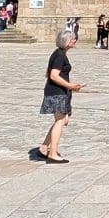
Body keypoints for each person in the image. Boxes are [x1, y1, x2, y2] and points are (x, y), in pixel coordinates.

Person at [37, 28, 84, 164]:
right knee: (61, 121)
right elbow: (53, 75)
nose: (75, 40)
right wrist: (70, 86)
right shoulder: (59, 55)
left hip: (57, 91)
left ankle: (44, 148)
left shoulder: (59, 53)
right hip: (57, 92)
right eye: (73, 38)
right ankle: (52, 154)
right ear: (67, 41)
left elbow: (48, 73)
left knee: (62, 120)